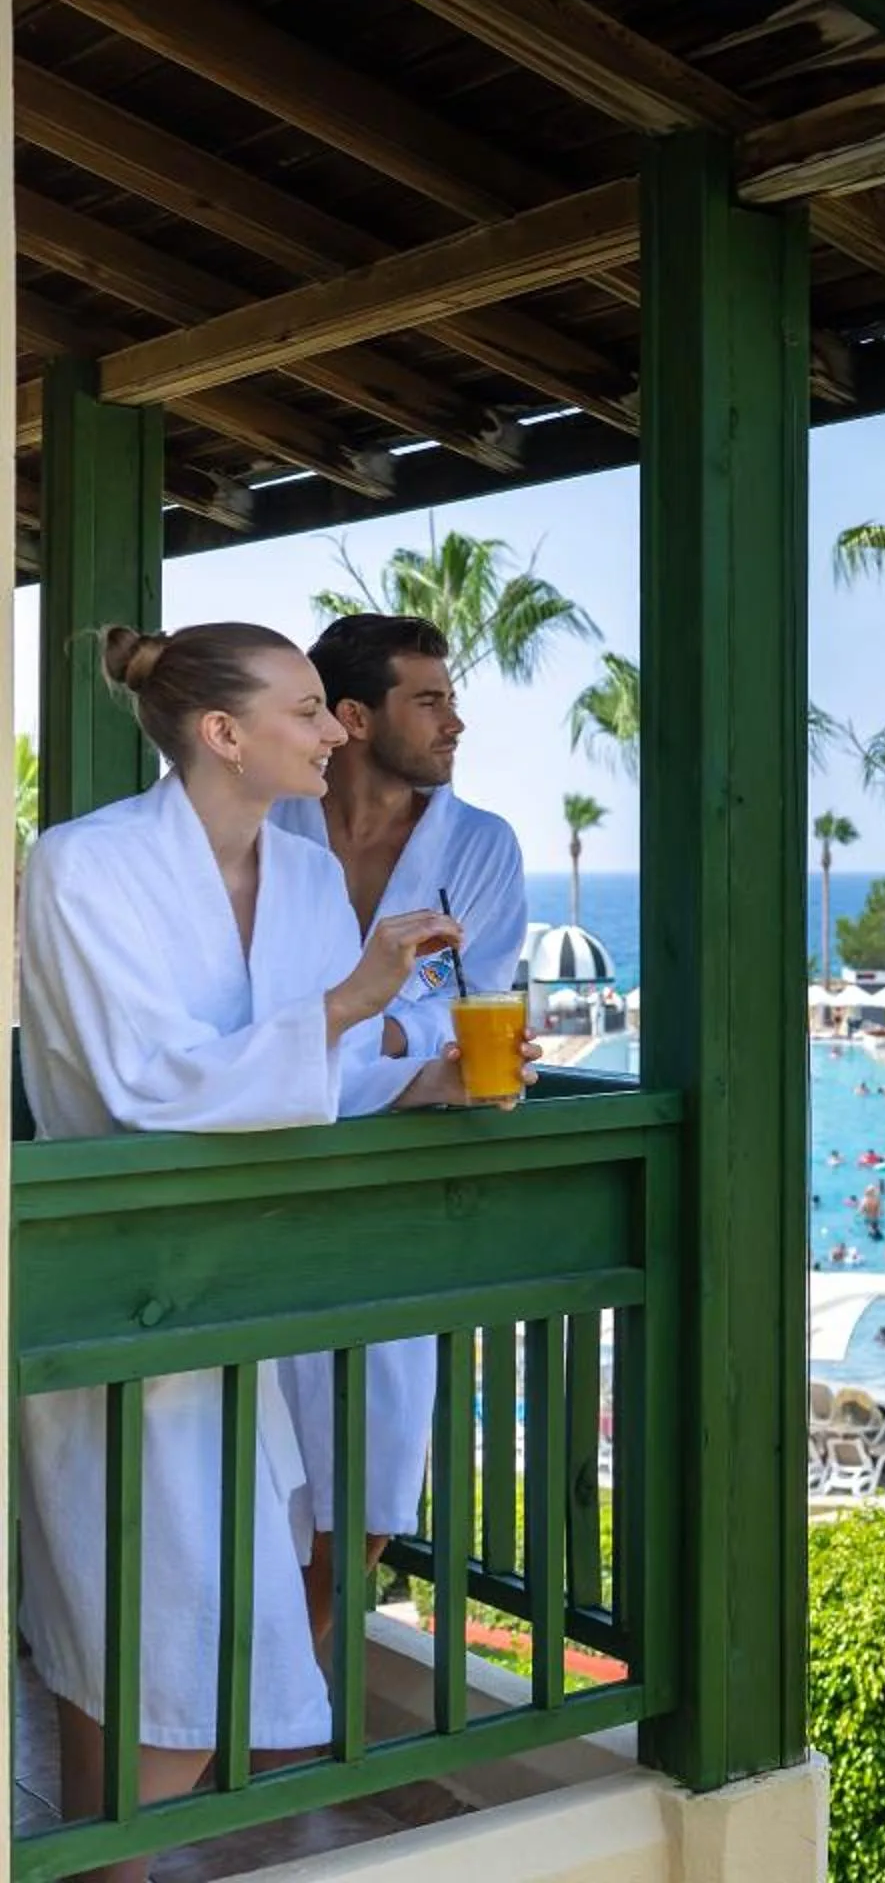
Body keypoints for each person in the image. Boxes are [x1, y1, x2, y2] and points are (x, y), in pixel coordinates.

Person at [19, 623, 476, 1868]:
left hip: (251, 1293)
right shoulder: (81, 866)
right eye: (309, 709)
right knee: (137, 1610)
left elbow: (317, 1068)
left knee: (194, 1606)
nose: (336, 731)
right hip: (126, 1286)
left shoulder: (309, 876)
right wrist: (352, 1001)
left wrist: (420, 1072)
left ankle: (111, 1861)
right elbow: (143, 1082)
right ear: (223, 733)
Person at [271, 614, 528, 1643]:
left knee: (376, 1463)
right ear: (353, 715)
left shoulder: (480, 848)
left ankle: (294, 1679)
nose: (455, 721)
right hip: (270, 1174)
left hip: (399, 1197)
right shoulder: (273, 829)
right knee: (267, 1453)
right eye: (429, 698)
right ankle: (260, 1687)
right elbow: (261, 1016)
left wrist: (347, 1033)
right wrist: (394, 1045)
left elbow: (475, 1014)